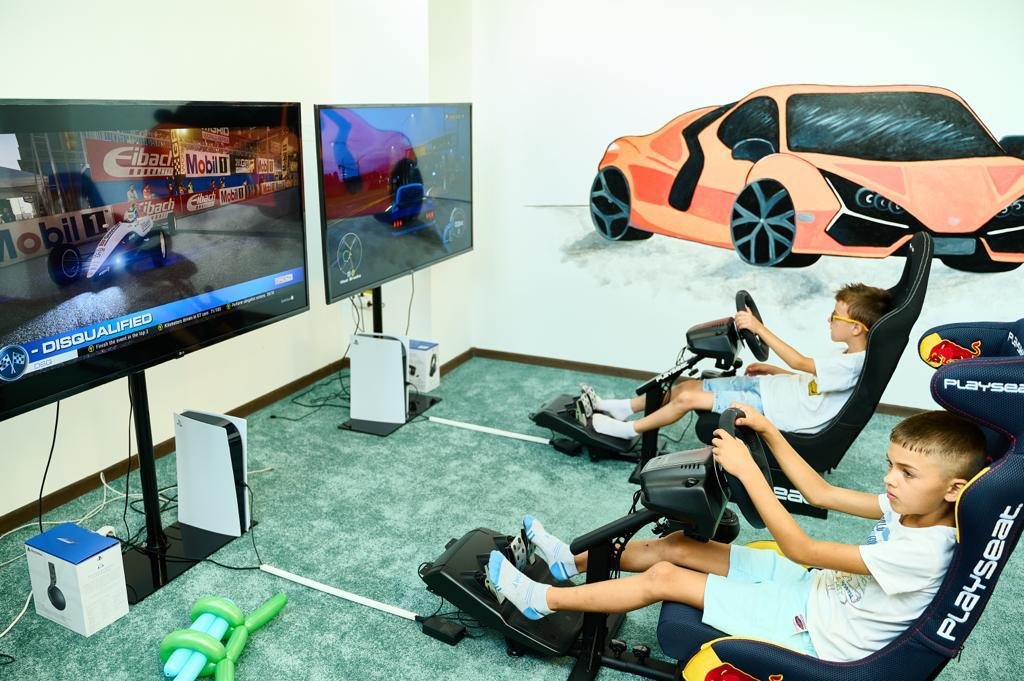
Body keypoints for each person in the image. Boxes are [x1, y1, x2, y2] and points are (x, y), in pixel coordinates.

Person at [488, 407, 986, 661]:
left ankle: (542, 601)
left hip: (814, 631)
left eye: (906, 473)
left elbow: (802, 546)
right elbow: (819, 493)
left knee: (665, 577)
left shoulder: (925, 550)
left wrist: (748, 471)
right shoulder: (908, 507)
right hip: (814, 588)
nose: (890, 480)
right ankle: (566, 562)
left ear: (954, 489)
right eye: (890, 466)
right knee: (679, 545)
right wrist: (769, 433)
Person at [583, 283, 892, 439]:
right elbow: (814, 382)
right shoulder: (846, 355)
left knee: (688, 399)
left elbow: (801, 363)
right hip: (775, 391)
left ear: (856, 328)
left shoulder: (852, 363)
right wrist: (775, 371)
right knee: (689, 385)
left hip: (777, 410)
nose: (829, 319)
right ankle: (623, 407)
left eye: (835, 316)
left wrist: (759, 329)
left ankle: (629, 430)